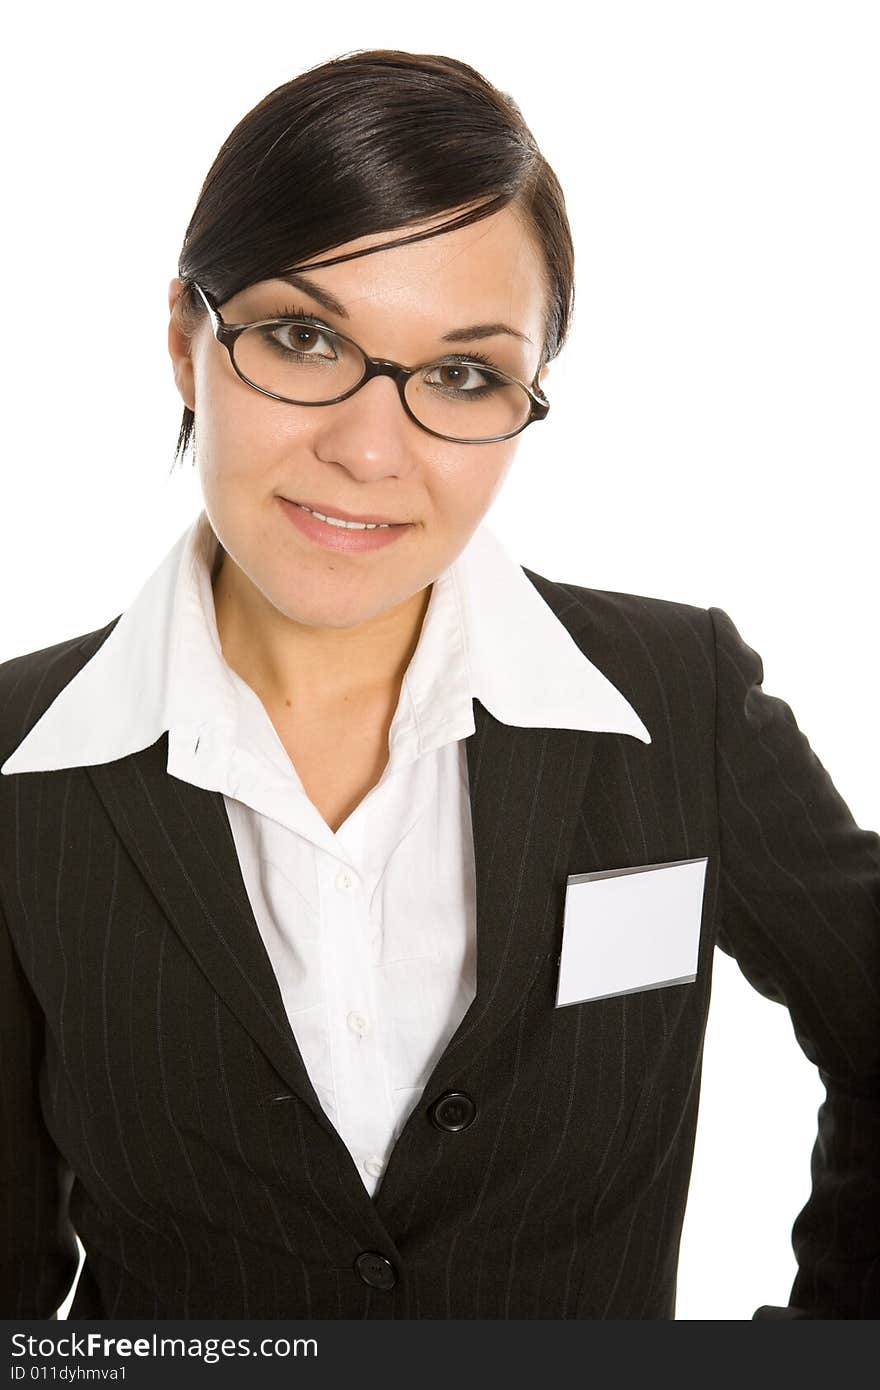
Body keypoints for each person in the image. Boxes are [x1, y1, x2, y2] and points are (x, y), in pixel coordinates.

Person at [0, 47, 877, 1323]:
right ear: (188, 341)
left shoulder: (674, 699)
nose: (368, 448)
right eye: (303, 339)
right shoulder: (19, 765)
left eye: (462, 375)